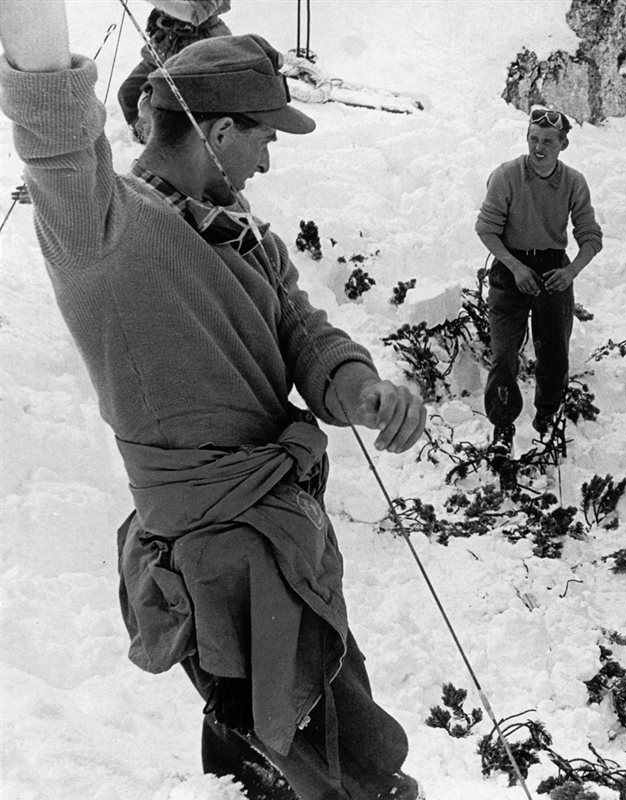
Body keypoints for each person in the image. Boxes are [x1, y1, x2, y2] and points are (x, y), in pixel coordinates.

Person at [0, 6, 426, 798]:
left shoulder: (244, 234)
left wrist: (360, 389)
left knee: (264, 762)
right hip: (221, 560)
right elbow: (55, 137)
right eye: (264, 137)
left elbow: (306, 332)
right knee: (366, 776)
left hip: (282, 547)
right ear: (220, 131)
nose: (268, 159)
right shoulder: (109, 232)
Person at [475, 108, 603, 455]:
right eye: (533, 139)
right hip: (509, 265)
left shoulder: (573, 182)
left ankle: (548, 420)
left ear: (563, 144)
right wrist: (516, 268)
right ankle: (502, 427)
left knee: (554, 351)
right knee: (503, 354)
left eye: (548, 141)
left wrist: (570, 271)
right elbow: (486, 228)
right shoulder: (506, 176)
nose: (539, 147)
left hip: (552, 269)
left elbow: (591, 236)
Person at [116, 1, 232, 141]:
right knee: (127, 93)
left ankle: (167, 146)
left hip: (196, 52)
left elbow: (195, 14)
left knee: (166, 111)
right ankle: (144, 135)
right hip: (165, 46)